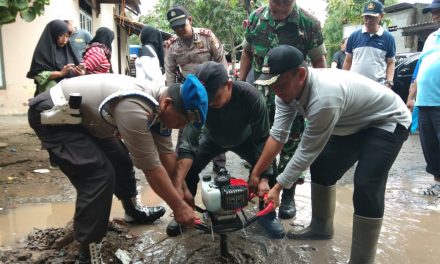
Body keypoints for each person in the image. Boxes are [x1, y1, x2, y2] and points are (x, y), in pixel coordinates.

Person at [250, 45, 410, 263]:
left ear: (301, 74)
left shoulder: (325, 96)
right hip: (352, 122)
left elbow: (307, 149)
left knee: (366, 185)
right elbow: (278, 135)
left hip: (387, 121)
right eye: (271, 85)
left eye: (280, 84)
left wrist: (278, 187)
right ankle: (321, 226)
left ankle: (362, 260)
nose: (276, 90)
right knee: (323, 167)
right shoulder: (284, 93)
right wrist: (256, 173)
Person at [27, 74, 208, 263]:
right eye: (181, 122)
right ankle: (89, 253)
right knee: (99, 177)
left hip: (85, 120)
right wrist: (178, 207)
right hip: (55, 115)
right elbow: (152, 169)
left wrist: (184, 190)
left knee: (121, 160)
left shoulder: (161, 106)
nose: (180, 127)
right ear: (167, 104)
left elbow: (166, 154)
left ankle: (132, 211)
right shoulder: (136, 107)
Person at [166, 61, 285, 238]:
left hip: (245, 139)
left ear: (228, 85)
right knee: (187, 168)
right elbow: (188, 142)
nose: (210, 103)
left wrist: (264, 177)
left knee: (269, 166)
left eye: (214, 97)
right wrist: (178, 186)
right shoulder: (196, 100)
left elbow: (262, 139)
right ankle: (185, 210)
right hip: (212, 139)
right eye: (206, 100)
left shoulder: (250, 96)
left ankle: (267, 215)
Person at [238, 0, 327, 219]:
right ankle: (262, 189)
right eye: (276, 2)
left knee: (291, 146)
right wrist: (241, 85)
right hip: (260, 97)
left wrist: (318, 96)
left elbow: (319, 61)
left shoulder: (309, 23)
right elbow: (247, 53)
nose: (280, 8)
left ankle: (287, 193)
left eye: (285, 3)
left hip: (293, 97)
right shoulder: (255, 20)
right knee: (261, 142)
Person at [165, 5, 229, 177]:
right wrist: (173, 95)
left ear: (190, 20)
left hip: (211, 87)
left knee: (216, 124)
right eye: (175, 27)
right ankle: (181, 164)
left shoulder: (206, 37)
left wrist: (222, 87)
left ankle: (220, 166)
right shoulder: (171, 45)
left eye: (181, 25)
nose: (179, 30)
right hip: (189, 91)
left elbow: (221, 61)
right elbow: (170, 72)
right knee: (185, 123)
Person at [406, 0, 440, 195]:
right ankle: (438, 184)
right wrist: (411, 97)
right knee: (430, 148)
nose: (435, 15)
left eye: (438, 11)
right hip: (425, 102)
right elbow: (420, 69)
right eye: (433, 12)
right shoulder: (430, 38)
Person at [343, 0, 396, 88]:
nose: (368, 20)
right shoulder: (354, 36)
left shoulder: (388, 38)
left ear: (381, 16)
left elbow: (391, 62)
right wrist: (343, 80)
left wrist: (389, 82)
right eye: (366, 16)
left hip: (378, 87)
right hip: (355, 86)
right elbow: (348, 60)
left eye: (372, 17)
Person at [27, 19, 84, 96]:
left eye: (67, 36)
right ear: (53, 35)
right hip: (49, 98)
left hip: (68, 96)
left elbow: (74, 71)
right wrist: (60, 73)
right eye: (61, 35)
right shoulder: (43, 52)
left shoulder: (68, 51)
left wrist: (80, 73)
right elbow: (38, 76)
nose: (64, 40)